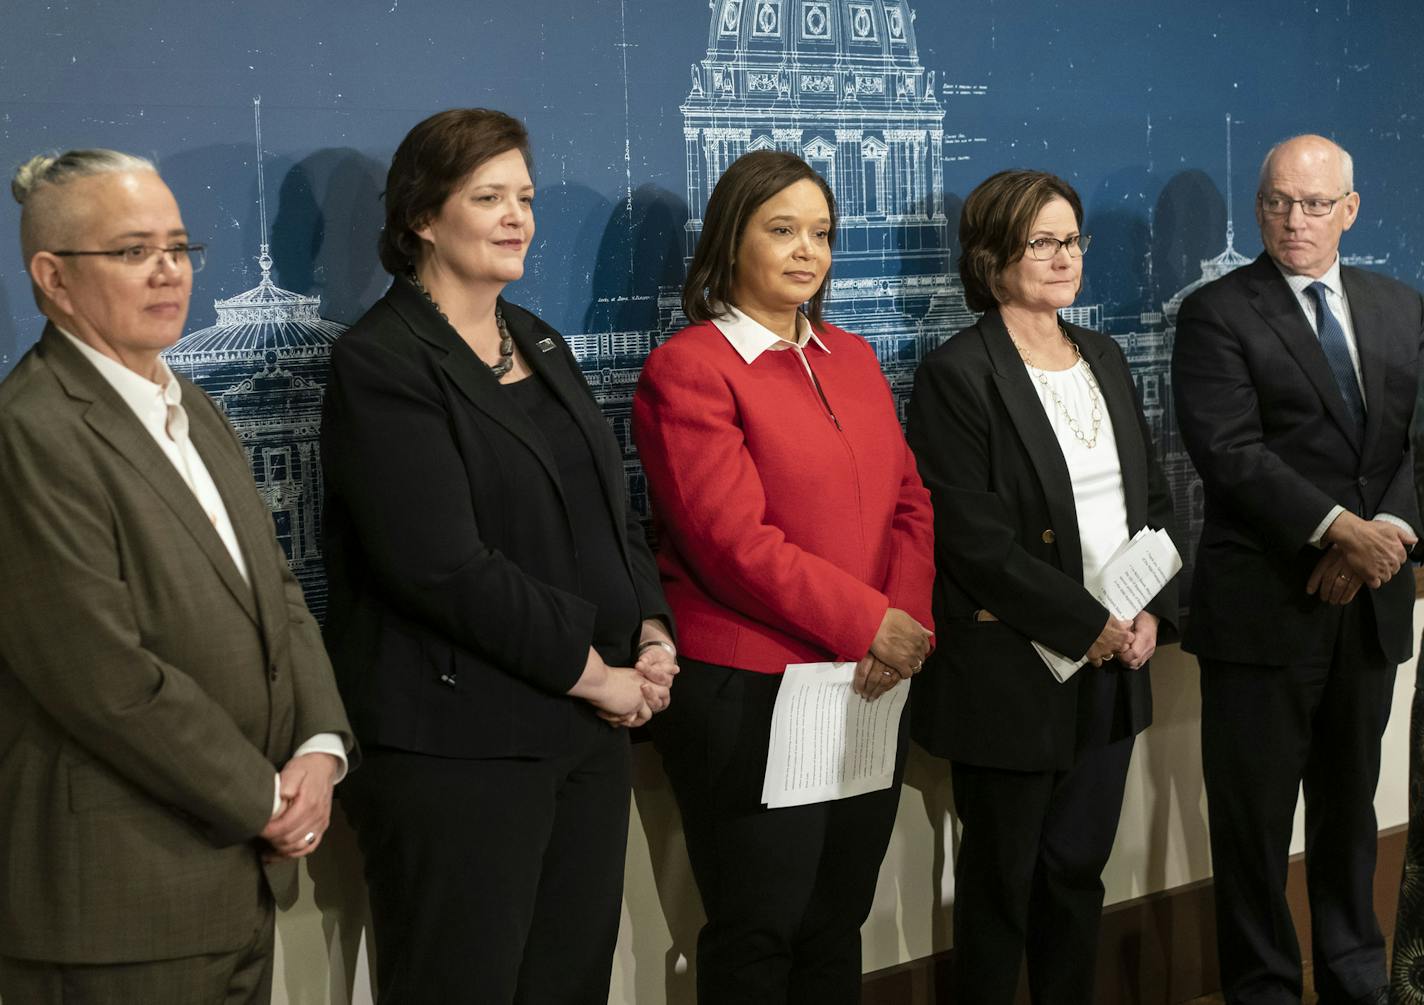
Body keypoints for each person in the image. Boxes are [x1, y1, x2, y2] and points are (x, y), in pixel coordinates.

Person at [320, 108, 676, 1004]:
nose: (518, 215)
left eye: (522, 195)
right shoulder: (382, 361)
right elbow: (438, 564)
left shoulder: (540, 338)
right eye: (488, 197)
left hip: (585, 737)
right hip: (460, 747)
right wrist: (594, 674)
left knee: (570, 983)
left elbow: (609, 506)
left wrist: (651, 630)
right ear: (421, 219)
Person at [0, 149, 353, 1005]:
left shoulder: (190, 400)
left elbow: (276, 590)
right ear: (53, 277)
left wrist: (318, 745)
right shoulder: (32, 430)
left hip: (232, 885)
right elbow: (102, 675)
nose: (169, 272)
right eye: (132, 251)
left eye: (179, 247)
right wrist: (264, 797)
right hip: (119, 904)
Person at [632, 149, 936, 1003]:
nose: (807, 250)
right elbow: (731, 543)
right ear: (732, 241)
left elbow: (912, 503)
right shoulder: (691, 367)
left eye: (821, 233)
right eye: (782, 230)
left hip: (871, 679)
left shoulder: (854, 356)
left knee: (838, 920)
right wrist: (866, 621)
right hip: (753, 692)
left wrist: (902, 624)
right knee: (760, 931)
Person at [906, 168, 1178, 1005]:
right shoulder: (958, 374)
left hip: (1113, 667)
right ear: (992, 258)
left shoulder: (1102, 352)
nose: (1064, 258)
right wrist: (1089, 620)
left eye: (1072, 240)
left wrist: (1149, 613)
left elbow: (1153, 497)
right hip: (1014, 675)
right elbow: (976, 543)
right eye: (1042, 242)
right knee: (1001, 893)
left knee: (1076, 879)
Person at [1173, 134, 1423, 1005]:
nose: (1293, 220)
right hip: (1262, 611)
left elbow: (1412, 447)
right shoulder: (1217, 313)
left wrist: (1377, 535)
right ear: (1259, 208)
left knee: (1350, 815)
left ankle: (1358, 981)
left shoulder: (1400, 306)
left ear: (1350, 210)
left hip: (1367, 608)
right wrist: (1336, 533)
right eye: (1278, 201)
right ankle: (1267, 990)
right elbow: (1230, 454)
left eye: (1315, 204)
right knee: (1253, 829)